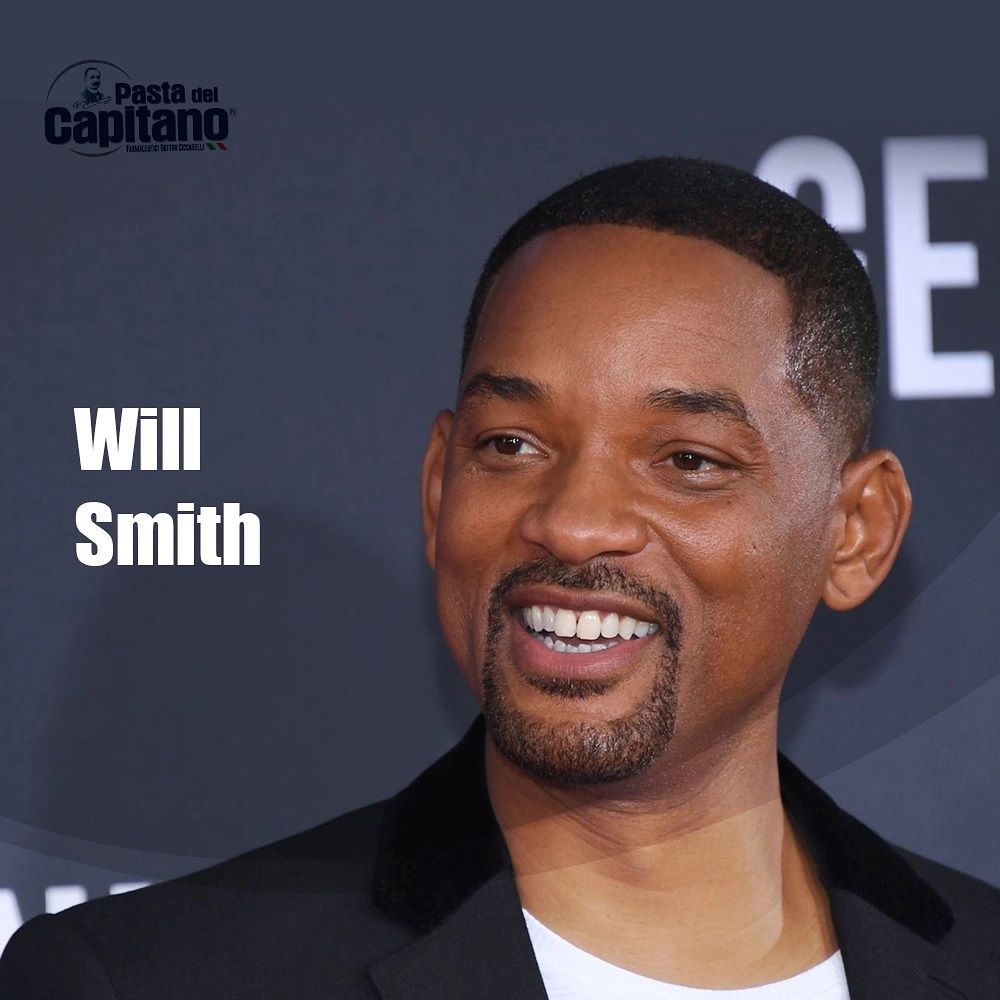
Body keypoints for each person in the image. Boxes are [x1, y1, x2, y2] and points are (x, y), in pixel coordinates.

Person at [2, 157, 998, 998]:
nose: (571, 521)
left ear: (855, 533)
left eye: (688, 460)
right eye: (512, 444)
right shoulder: (155, 981)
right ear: (439, 486)